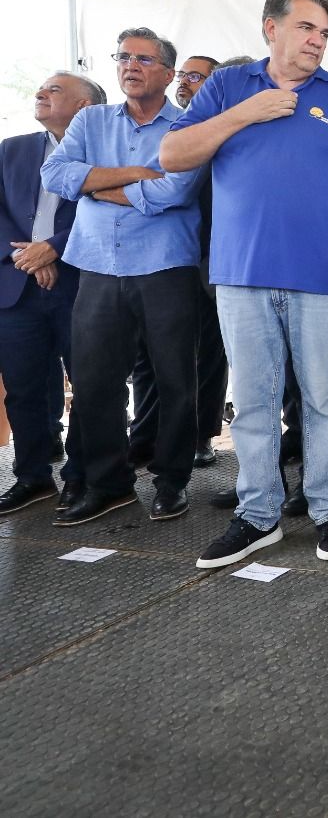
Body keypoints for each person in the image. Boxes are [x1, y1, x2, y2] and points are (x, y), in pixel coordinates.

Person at [162, 0, 328, 570]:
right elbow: (173, 156)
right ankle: (258, 515)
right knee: (253, 403)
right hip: (242, 274)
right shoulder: (229, 86)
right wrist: (241, 115)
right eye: (307, 27)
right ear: (271, 28)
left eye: (325, 32)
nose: (317, 41)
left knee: (327, 401)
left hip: (324, 274)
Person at [43, 28, 204, 526]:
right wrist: (135, 173)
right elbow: (57, 175)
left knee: (175, 379)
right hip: (96, 265)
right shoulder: (91, 119)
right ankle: (108, 484)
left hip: (165, 267)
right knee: (94, 382)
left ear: (168, 73)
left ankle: (172, 480)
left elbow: (172, 193)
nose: (130, 66)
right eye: (123, 57)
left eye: (143, 59)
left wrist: (95, 183)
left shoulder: (187, 126)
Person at [0, 73, 101, 514]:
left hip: (79, 284)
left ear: (83, 107)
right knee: (22, 388)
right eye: (42, 88)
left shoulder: (102, 153)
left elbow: (102, 213)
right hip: (17, 286)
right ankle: (32, 476)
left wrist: (53, 251)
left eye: (55, 89)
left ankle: (82, 475)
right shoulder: (13, 148)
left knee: (91, 385)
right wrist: (29, 258)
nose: (41, 93)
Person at [130, 52, 228, 471]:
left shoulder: (223, 129)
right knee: (149, 351)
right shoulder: (167, 128)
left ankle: (201, 435)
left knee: (207, 349)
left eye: (196, 76)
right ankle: (145, 433)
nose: (185, 83)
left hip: (212, 255)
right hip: (162, 255)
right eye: (183, 75)